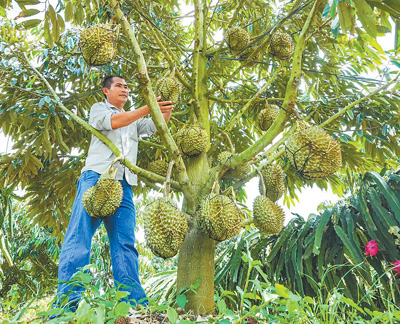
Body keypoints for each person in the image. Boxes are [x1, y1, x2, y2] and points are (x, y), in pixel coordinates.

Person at [52, 75, 173, 315]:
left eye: (127, 87)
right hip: (96, 178)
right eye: (119, 85)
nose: (125, 90)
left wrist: (164, 109)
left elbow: (156, 125)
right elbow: (113, 122)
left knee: (125, 243)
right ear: (106, 91)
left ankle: (134, 305)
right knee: (79, 237)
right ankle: (66, 305)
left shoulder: (133, 120)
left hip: (124, 184)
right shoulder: (99, 109)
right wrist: (148, 107)